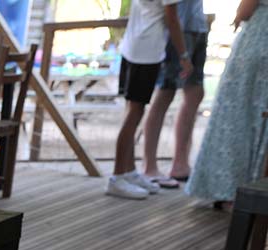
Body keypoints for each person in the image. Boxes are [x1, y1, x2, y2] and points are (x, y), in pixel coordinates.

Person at [106, 0, 192, 200]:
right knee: (134, 114)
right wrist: (184, 55)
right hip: (146, 51)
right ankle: (117, 176)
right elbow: (172, 18)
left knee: (134, 111)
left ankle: (128, 171)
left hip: (133, 45)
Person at [186, 0, 268, 206]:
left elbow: (246, 10)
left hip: (258, 41)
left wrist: (238, 16)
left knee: (237, 115)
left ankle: (230, 188)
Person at [140, 0, 207, 187]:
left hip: (197, 25)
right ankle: (149, 166)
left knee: (195, 92)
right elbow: (170, 9)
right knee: (165, 93)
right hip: (178, 30)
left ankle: (181, 163)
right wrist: (183, 53)